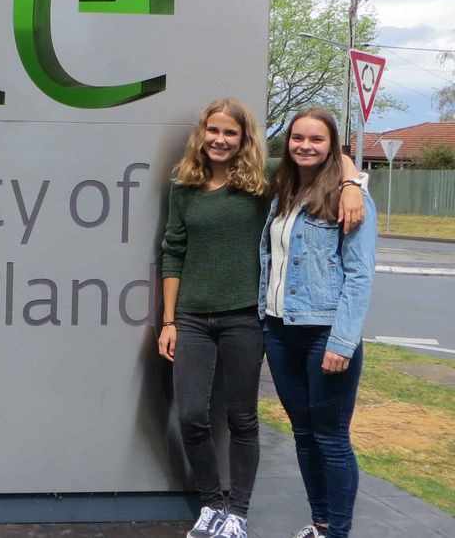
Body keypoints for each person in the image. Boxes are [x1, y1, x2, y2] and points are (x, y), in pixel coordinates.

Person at [159, 99, 364, 538]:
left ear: (243, 138)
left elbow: (323, 150)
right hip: (196, 317)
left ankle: (239, 513)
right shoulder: (183, 186)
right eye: (213, 130)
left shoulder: (263, 180)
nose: (220, 139)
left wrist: (351, 183)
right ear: (202, 132)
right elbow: (172, 251)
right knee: (192, 416)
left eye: (230, 132)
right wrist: (169, 320)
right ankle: (213, 504)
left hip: (247, 319)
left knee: (245, 419)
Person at [259, 107, 376, 538]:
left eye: (316, 140)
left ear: (331, 148)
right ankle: (321, 521)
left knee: (330, 437)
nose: (305, 146)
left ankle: (338, 532)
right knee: (303, 433)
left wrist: (342, 342)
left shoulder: (351, 199)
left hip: (325, 332)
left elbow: (360, 275)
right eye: (298, 138)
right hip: (279, 329)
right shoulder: (282, 192)